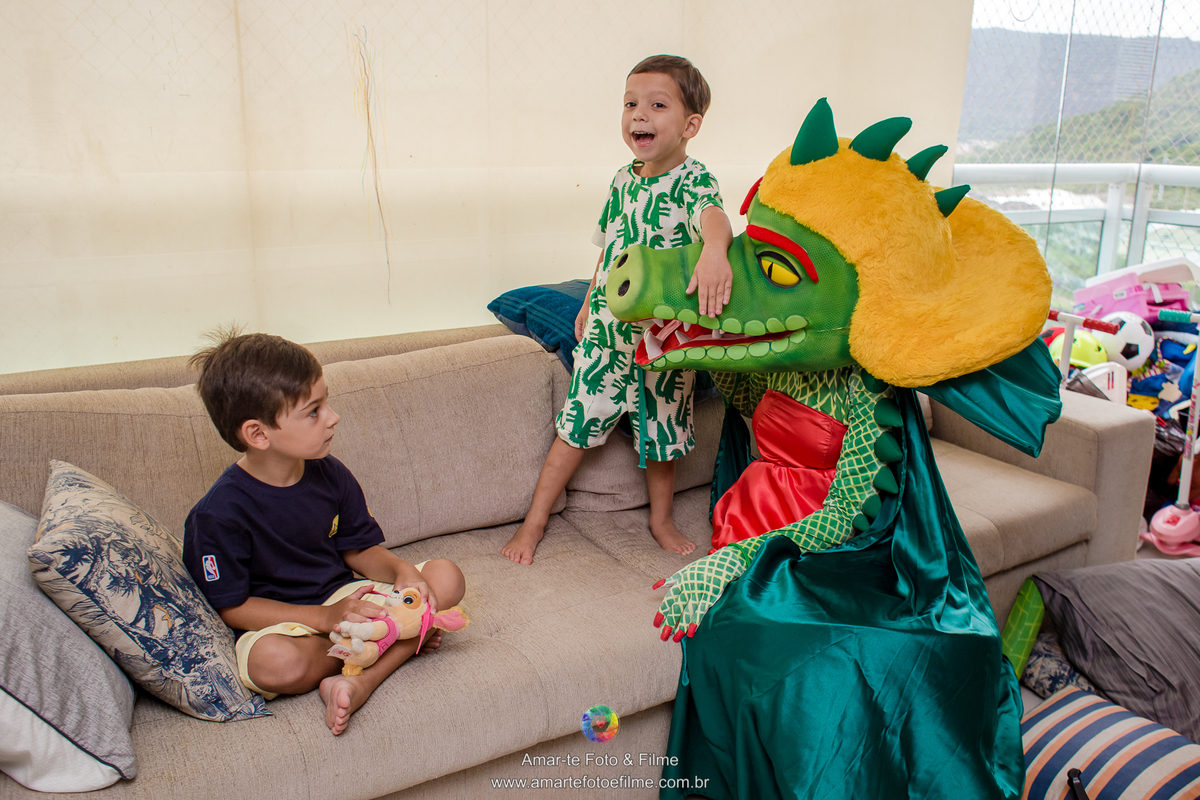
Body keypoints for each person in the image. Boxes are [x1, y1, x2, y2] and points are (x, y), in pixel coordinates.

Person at [501, 54, 734, 565]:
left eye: (657, 105)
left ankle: (660, 519)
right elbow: (610, 246)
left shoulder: (694, 181)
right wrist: (589, 298)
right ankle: (534, 521)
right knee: (575, 427)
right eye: (630, 104)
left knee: (663, 437)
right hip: (608, 334)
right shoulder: (623, 179)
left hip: (664, 340)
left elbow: (715, 219)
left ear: (691, 125)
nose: (639, 115)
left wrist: (716, 251)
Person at [182, 330, 465, 735]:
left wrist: (402, 571)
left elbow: (358, 550)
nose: (332, 417)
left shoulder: (330, 473)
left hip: (345, 599)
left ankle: (367, 668)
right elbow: (233, 607)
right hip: (286, 624)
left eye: (325, 402)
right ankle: (397, 642)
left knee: (445, 577)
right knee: (276, 664)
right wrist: (323, 617)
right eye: (313, 411)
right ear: (258, 434)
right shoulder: (217, 515)